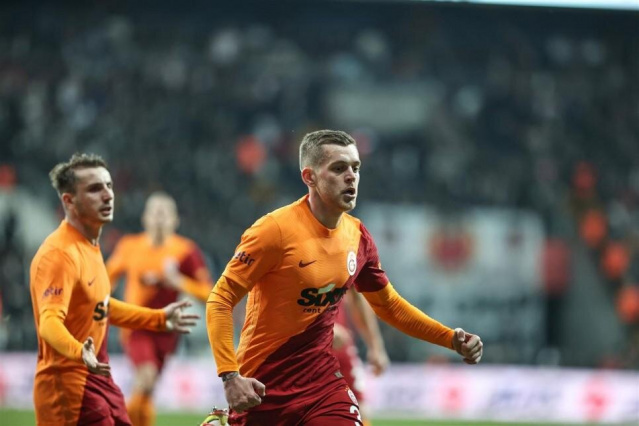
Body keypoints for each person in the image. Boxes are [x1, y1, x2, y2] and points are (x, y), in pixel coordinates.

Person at [205, 130, 483, 425]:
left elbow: (389, 305)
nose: (351, 176)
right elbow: (220, 299)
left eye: (355, 168)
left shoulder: (358, 237)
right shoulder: (273, 231)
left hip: (323, 386)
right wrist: (230, 376)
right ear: (309, 177)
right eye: (338, 168)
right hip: (263, 386)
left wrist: (449, 338)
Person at [30, 153, 199, 426]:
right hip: (68, 385)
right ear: (69, 201)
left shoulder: (90, 246)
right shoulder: (59, 254)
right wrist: (78, 351)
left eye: (109, 186)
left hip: (98, 379)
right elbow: (49, 322)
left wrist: (158, 318)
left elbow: (101, 305)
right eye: (94, 189)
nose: (108, 195)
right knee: (145, 380)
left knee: (143, 396)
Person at [106, 191, 214, 426]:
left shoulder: (186, 251)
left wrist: (179, 282)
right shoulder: (129, 246)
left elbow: (209, 293)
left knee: (148, 389)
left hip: (167, 329)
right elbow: (106, 280)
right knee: (146, 376)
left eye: (165, 214)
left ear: (175, 220)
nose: (159, 219)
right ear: (145, 218)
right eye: (155, 213)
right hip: (137, 324)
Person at [332, 289, 389, 426]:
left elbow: (357, 297)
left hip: (340, 344)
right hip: (300, 348)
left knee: (358, 405)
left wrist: (375, 346)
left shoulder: (349, 274)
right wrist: (324, 329)